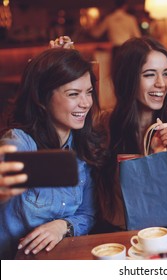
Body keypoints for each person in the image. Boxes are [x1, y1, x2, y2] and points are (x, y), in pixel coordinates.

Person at [0, 48, 106, 259]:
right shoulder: (19, 143)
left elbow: (88, 213)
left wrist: (62, 226)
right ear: (42, 98)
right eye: (73, 94)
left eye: (89, 92)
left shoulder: (82, 144)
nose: (86, 103)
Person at [96, 37, 167, 231]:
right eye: (150, 74)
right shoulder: (104, 127)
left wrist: (165, 158)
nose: (161, 83)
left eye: (166, 74)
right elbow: (110, 203)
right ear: (128, 78)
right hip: (120, 236)